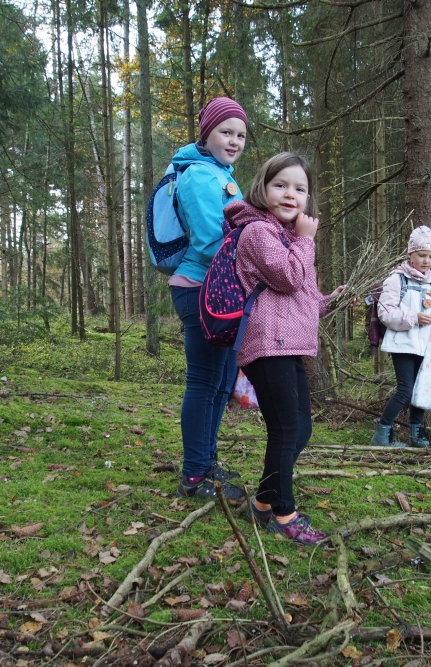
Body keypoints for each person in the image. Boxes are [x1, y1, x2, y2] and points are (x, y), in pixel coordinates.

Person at [229, 152, 345, 545]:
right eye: (281, 185)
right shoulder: (258, 232)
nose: (290, 195)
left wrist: (331, 300)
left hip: (287, 343)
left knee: (300, 428)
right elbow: (288, 277)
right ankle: (285, 514)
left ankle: (263, 501)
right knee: (284, 429)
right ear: (262, 187)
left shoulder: (285, 237)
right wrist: (306, 239)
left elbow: (301, 296)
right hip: (265, 343)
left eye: (300, 189)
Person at [170, 97, 249, 501]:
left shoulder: (220, 174)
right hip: (201, 290)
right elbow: (208, 241)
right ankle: (194, 475)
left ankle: (205, 460)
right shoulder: (201, 176)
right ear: (207, 133)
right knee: (204, 383)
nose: (234, 141)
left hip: (218, 291)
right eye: (226, 132)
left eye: (240, 135)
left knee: (220, 383)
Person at [371, 226, 431, 448]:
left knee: (421, 389)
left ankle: (417, 434)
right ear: (410, 255)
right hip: (403, 345)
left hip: (426, 346)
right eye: (421, 255)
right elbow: (385, 313)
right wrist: (414, 317)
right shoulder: (396, 280)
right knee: (405, 389)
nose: (426, 261)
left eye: (430, 256)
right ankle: (382, 433)